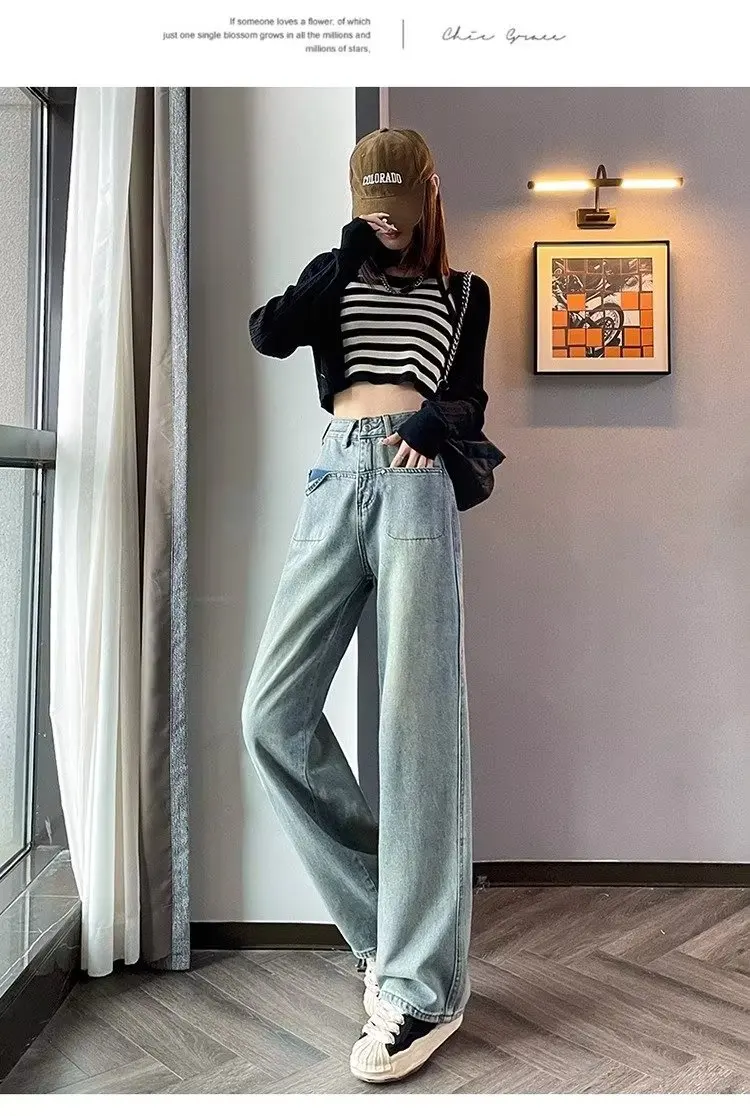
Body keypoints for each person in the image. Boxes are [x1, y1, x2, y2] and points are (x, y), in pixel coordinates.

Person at [241, 126, 492, 1084]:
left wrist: (432, 418)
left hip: (414, 484)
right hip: (332, 476)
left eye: (398, 203)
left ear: (428, 193)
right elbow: (271, 333)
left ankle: (422, 991)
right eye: (371, 205)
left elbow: (467, 401)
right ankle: (390, 929)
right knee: (272, 715)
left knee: (416, 726)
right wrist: (344, 255)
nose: (387, 219)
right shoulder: (335, 271)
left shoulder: (464, 291)